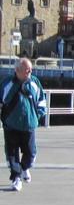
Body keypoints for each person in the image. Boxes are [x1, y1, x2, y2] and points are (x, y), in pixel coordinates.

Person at [1, 58, 47, 192]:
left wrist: (37, 116)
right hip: (11, 125)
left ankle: (24, 168)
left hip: (29, 125)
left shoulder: (34, 82)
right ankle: (16, 178)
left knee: (31, 153)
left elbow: (41, 101)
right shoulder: (7, 84)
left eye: (31, 69)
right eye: (27, 70)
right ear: (17, 70)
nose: (30, 72)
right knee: (11, 154)